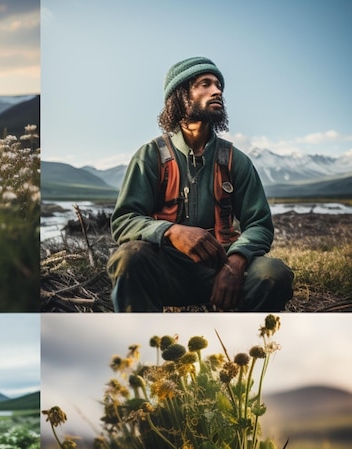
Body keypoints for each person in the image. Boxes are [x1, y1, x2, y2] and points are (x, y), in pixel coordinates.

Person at [107, 56, 294, 312]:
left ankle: (237, 346)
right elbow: (124, 220)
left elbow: (259, 224)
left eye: (218, 85)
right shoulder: (150, 156)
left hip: (222, 269)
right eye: (205, 84)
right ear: (180, 96)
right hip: (166, 270)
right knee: (129, 257)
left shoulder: (235, 160)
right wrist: (172, 232)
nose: (217, 91)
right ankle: (142, 343)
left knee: (273, 274)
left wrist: (235, 263)